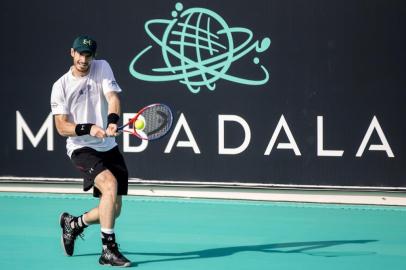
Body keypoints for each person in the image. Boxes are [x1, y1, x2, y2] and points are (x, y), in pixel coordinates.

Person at [50, 35, 131, 267]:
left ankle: (73, 224)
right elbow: (62, 127)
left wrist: (112, 120)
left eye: (88, 55)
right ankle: (108, 250)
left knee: (114, 210)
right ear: (72, 53)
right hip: (81, 147)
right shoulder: (60, 86)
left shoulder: (102, 67)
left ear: (93, 56)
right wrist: (89, 128)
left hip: (108, 147)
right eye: (80, 54)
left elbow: (112, 97)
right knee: (109, 185)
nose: (84, 59)